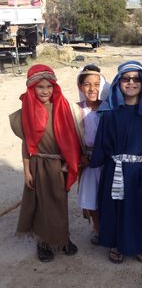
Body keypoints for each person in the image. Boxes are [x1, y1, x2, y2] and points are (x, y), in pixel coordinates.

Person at [90, 60, 142, 263]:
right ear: (118, 82)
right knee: (116, 207)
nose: (131, 82)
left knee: (139, 207)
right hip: (114, 168)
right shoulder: (110, 111)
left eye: (136, 79)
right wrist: (94, 161)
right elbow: (102, 140)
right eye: (126, 78)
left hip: (140, 171)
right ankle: (117, 243)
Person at [9, 64, 81, 262]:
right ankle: (43, 243)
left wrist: (69, 162)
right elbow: (26, 145)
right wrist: (26, 171)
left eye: (49, 86)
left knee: (59, 202)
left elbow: (70, 138)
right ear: (32, 88)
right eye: (40, 87)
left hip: (59, 165)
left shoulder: (61, 107)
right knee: (41, 205)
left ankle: (63, 239)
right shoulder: (27, 111)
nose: (45, 91)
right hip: (38, 165)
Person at [70, 64, 110, 245]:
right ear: (80, 87)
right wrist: (80, 157)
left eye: (96, 84)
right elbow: (70, 137)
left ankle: (111, 228)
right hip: (88, 160)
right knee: (91, 196)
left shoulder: (108, 109)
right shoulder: (76, 110)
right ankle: (98, 228)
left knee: (108, 195)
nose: (92, 89)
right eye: (87, 84)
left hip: (107, 160)